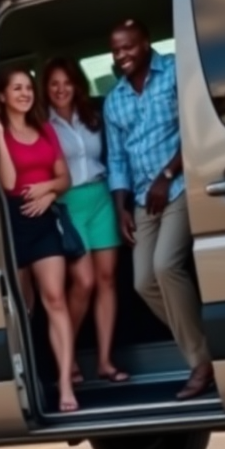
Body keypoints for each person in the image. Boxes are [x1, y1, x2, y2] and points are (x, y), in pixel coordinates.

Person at [103, 20, 214, 400]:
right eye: (116, 50)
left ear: (146, 42)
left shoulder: (175, 72)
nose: (122, 56)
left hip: (179, 186)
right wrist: (121, 208)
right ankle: (206, 345)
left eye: (128, 47)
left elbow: (196, 129)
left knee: (166, 265)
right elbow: (117, 159)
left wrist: (167, 175)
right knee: (142, 282)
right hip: (141, 198)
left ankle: (201, 362)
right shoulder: (114, 100)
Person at [0, 65, 80, 412]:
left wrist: (48, 190)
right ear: (2, 95)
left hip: (43, 223)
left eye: (28, 87)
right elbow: (9, 183)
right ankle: (33, 382)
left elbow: (65, 178)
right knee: (24, 309)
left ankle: (66, 386)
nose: (25, 93)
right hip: (12, 225)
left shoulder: (45, 129)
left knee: (55, 299)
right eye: (17, 88)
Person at [42, 57, 128, 384]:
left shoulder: (93, 113)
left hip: (101, 197)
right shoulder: (43, 123)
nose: (61, 89)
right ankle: (68, 356)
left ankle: (105, 361)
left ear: (77, 84)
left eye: (67, 82)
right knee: (84, 282)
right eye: (54, 83)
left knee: (107, 279)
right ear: (45, 88)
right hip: (69, 203)